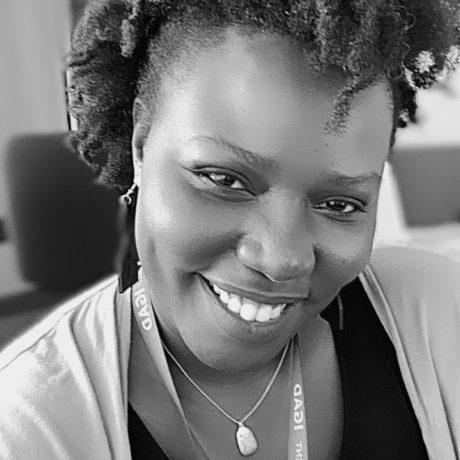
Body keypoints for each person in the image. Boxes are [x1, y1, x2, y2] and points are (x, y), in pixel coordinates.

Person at [1, 1, 460, 459]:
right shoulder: (26, 426)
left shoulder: (437, 312)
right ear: (141, 147)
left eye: (340, 204)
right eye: (225, 180)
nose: (282, 260)